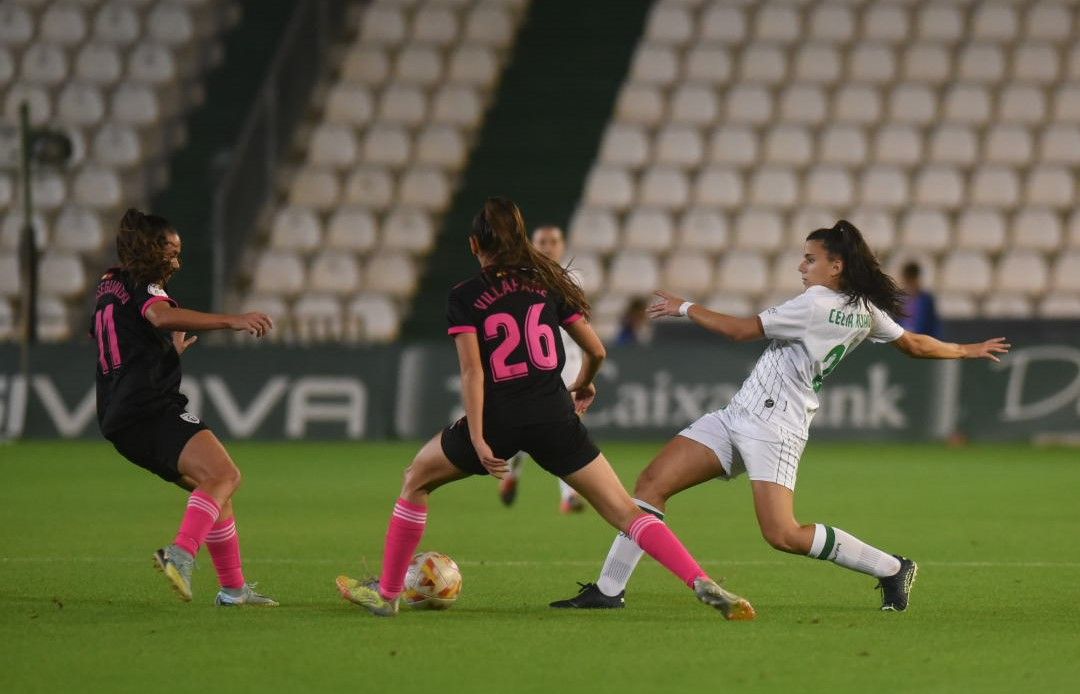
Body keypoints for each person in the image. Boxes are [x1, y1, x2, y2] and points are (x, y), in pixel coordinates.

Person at [550, 220, 1009, 613]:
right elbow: (914, 344)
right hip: (738, 415)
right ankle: (609, 589)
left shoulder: (816, 305)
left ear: (837, 266)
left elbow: (739, 330)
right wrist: (968, 350)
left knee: (783, 534)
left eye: (810, 259)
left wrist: (684, 307)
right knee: (652, 484)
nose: (801, 266)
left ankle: (892, 567)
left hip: (776, 429)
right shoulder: (865, 310)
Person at [335, 196, 755, 619]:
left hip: (501, 419)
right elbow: (596, 350)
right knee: (627, 511)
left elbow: (473, 373)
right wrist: (585, 383)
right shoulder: (547, 283)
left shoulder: (465, 295)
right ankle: (699, 579)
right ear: (520, 239)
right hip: (555, 415)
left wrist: (479, 437)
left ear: (473, 245)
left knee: (416, 480)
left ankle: (388, 595)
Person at [91, 208, 278, 606]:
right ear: (148, 250)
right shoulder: (145, 285)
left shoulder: (109, 286)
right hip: (149, 406)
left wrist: (165, 353)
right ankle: (180, 553)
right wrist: (233, 321)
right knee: (225, 474)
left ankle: (233, 590)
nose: (176, 262)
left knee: (214, 489)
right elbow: (159, 316)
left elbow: (125, 339)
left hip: (117, 416)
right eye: (170, 252)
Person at [498, 224, 586, 514]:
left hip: (568, 361)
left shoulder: (573, 278)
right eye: (542, 242)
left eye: (553, 241)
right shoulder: (519, 279)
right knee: (530, 426)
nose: (548, 246)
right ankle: (512, 472)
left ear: (562, 245)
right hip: (535, 362)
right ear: (533, 245)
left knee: (567, 426)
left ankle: (568, 495)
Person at [898, 261, 941, 337]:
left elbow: (933, 325)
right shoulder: (900, 299)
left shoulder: (926, 299)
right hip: (904, 339)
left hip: (921, 340)